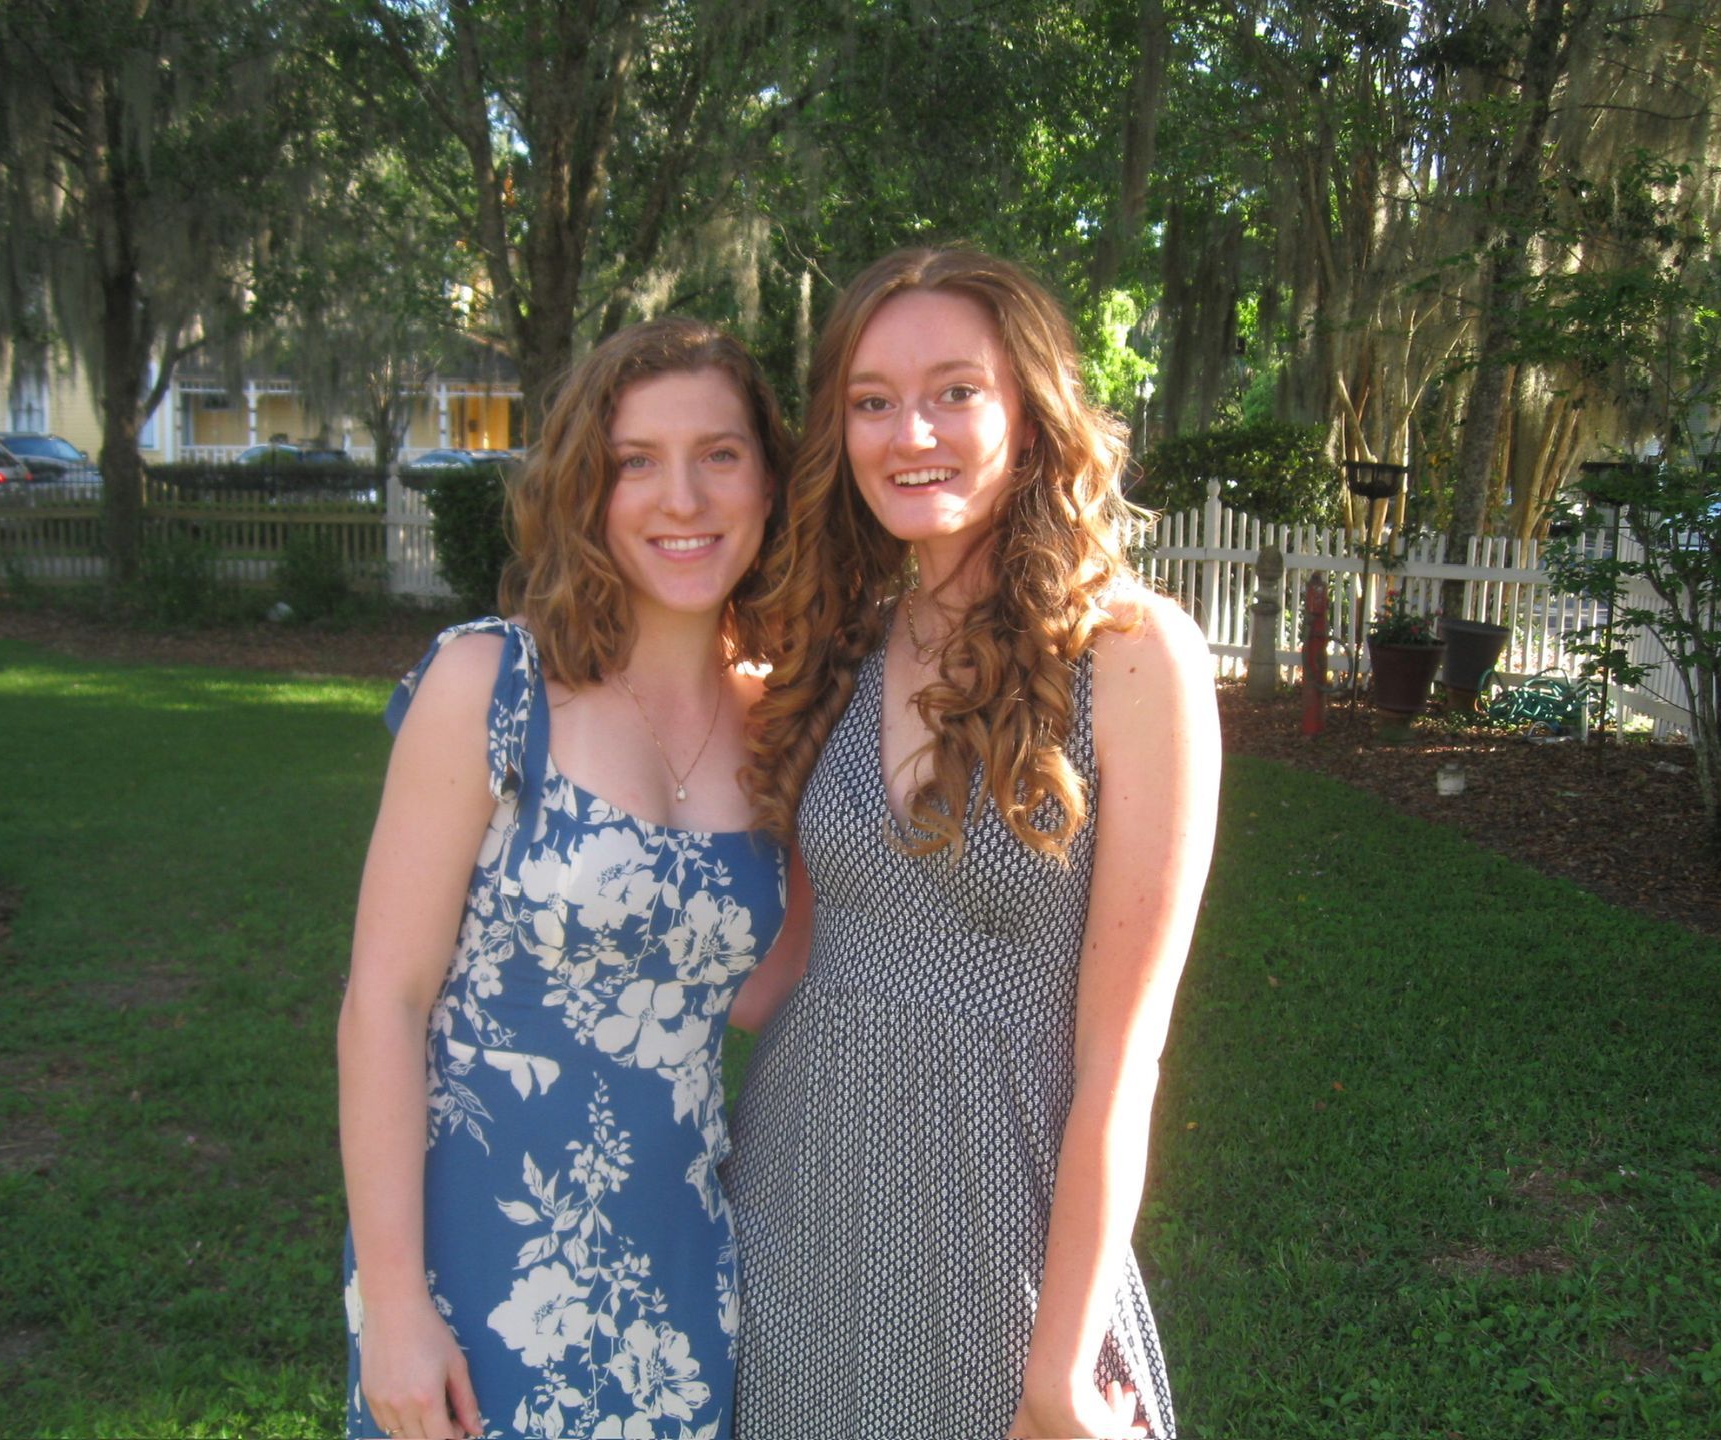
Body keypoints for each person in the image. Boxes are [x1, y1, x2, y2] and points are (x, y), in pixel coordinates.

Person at [726, 248, 1221, 1440]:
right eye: (872, 400)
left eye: (955, 391)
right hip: (796, 1214)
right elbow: (772, 977)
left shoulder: (1131, 657)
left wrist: (1059, 1371)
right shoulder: (840, 653)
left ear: (1030, 415)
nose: (911, 433)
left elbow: (1123, 1059)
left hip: (1002, 1246)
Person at [339, 318, 794, 1440]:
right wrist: (393, 1306)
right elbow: (384, 1002)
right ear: (589, 488)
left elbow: (763, 992)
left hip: (680, 1269)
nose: (683, 499)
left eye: (720, 454)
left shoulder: (781, 721)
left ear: (770, 481)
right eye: (637, 461)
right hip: (477, 1271)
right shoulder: (493, 685)